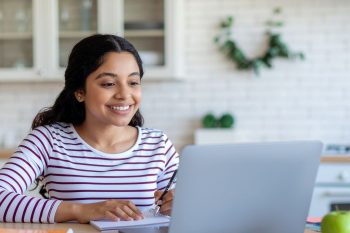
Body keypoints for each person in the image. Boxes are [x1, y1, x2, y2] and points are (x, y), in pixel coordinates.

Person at [0, 34, 179, 224]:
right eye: (109, 84)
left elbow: (184, 210)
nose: (125, 94)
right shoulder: (49, 140)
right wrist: (81, 210)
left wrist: (177, 206)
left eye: (133, 82)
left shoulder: (159, 145)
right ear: (80, 92)